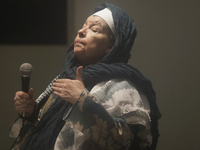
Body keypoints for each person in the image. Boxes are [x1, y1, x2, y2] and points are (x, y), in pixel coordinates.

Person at [13, 3, 161, 150]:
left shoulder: (122, 89)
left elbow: (122, 143)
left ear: (111, 45)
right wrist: (31, 113)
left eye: (94, 29)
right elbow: (43, 130)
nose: (81, 31)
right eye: (83, 26)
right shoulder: (67, 76)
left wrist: (84, 101)